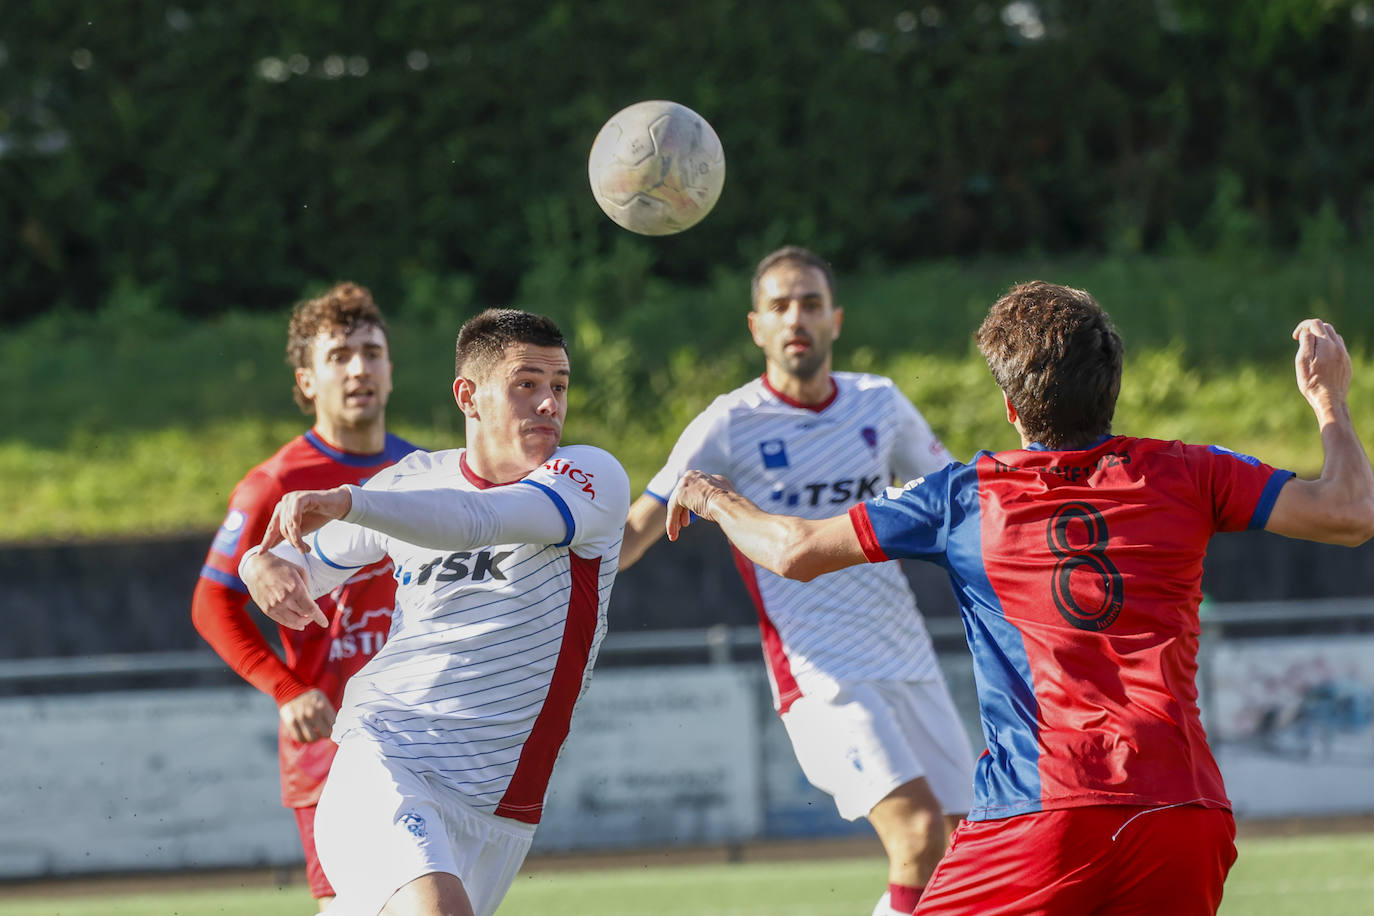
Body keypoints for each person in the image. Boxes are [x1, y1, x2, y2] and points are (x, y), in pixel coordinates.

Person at [665, 281, 1374, 915]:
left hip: (1043, 817)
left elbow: (792, 551)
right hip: (1182, 813)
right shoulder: (1188, 472)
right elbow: (1347, 513)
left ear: (1010, 405)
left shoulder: (967, 496)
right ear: (1112, 385)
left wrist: (713, 496)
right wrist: (1328, 398)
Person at [620, 246, 977, 916]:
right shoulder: (730, 422)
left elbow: (957, 502)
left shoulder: (880, 403)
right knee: (920, 833)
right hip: (820, 673)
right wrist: (554, 577)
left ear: (835, 319)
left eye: (811, 303)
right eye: (780, 306)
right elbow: (634, 532)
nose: (797, 318)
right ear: (756, 326)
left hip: (907, 657)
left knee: (972, 852)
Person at [240, 308, 630, 916]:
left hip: (500, 814)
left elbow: (479, 518)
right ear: (468, 396)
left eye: (559, 386)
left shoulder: (590, 477)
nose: (549, 403)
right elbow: (281, 564)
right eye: (526, 384)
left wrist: (349, 500)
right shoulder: (411, 483)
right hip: (388, 757)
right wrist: (257, 567)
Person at [191, 281, 419, 909]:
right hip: (331, 754)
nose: (358, 369)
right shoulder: (275, 484)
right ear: (306, 382)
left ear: (391, 371)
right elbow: (212, 605)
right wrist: (286, 689)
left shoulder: (424, 474)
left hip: (421, 740)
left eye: (371, 352)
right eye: (339, 356)